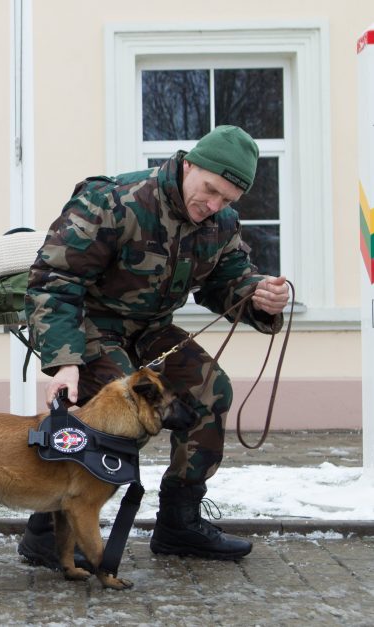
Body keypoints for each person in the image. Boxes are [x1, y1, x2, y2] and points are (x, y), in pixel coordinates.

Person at [21, 125, 290, 567]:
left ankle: (178, 523)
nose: (214, 205)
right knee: (125, 406)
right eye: (210, 191)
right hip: (92, 322)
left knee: (210, 392)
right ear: (189, 164)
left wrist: (260, 295)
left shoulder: (220, 223)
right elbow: (55, 279)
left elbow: (228, 282)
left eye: (227, 200)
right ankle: (47, 533)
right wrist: (65, 362)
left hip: (151, 330)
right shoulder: (113, 200)